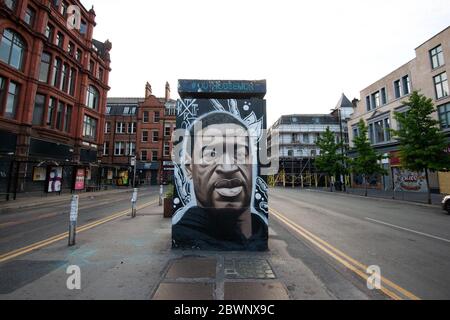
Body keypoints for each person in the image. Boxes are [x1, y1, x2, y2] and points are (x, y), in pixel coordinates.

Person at [172, 112, 267, 251]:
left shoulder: (261, 231)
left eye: (240, 153)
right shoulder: (182, 236)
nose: (228, 167)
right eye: (212, 154)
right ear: (189, 168)